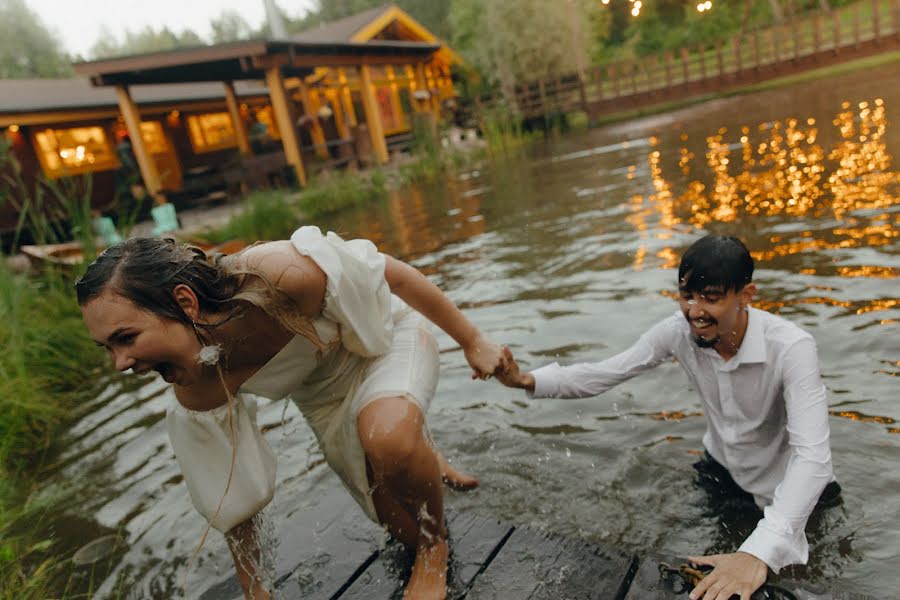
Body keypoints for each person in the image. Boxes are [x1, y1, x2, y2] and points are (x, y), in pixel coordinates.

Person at [75, 226, 505, 600]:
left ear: (184, 301)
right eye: (108, 348)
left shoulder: (276, 275)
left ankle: (435, 546)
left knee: (387, 437)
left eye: (126, 337)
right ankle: (416, 455)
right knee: (398, 526)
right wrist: (258, 594)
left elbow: (389, 272)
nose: (120, 362)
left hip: (382, 342)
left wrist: (472, 340)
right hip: (323, 401)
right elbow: (234, 500)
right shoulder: (197, 382)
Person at [494, 235, 840, 600]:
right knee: (703, 575)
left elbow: (813, 458)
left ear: (746, 295)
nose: (694, 311)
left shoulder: (792, 348)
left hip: (792, 492)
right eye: (687, 295)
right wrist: (524, 380)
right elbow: (607, 372)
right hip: (723, 475)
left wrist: (757, 552)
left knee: (809, 578)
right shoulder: (678, 332)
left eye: (711, 297)